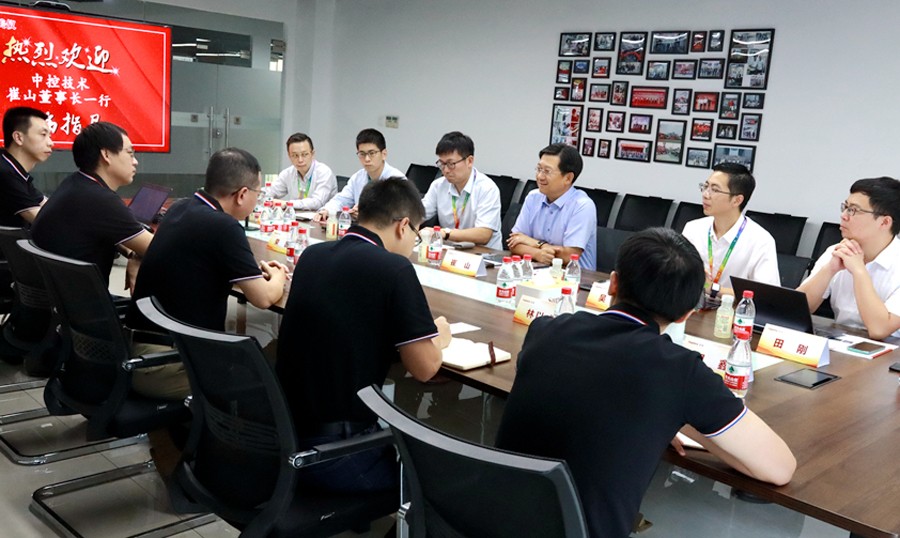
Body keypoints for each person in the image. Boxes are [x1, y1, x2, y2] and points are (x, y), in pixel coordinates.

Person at [496, 227, 796, 538]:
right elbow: (779, 468)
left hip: (488, 517)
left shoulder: (545, 330)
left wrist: (658, 417)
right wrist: (668, 417)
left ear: (613, 283)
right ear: (685, 315)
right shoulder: (678, 370)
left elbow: (577, 394)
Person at [277, 177, 451, 493]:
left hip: (283, 433)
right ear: (403, 226)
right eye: (416, 235)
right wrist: (439, 337)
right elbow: (425, 369)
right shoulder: (394, 269)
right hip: (335, 453)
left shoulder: (313, 255)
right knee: (436, 484)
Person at [127, 147, 288, 399]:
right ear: (242, 194)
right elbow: (263, 298)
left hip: (138, 352)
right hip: (168, 365)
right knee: (278, 361)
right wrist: (278, 276)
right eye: (258, 193)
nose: (258, 199)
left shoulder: (180, 208)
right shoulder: (224, 227)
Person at [31, 122, 151, 292]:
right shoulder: (100, 199)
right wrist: (139, 256)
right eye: (130, 153)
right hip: (79, 304)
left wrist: (133, 255)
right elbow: (157, 249)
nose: (135, 162)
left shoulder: (76, 183)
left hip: (54, 300)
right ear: (106, 155)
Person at [799, 177, 900, 339]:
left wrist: (859, 271)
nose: (843, 216)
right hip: (842, 342)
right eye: (845, 207)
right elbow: (797, 310)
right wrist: (829, 269)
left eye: (853, 210)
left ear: (884, 222)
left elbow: (879, 330)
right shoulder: (836, 251)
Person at [681, 163, 779, 303]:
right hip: (690, 307)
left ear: (737, 200)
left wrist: (713, 288)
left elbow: (766, 296)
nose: (705, 194)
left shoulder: (760, 241)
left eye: (715, 190)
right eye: (706, 186)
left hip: (733, 312)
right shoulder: (693, 229)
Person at [508, 143, 597, 269]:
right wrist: (538, 253)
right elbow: (514, 243)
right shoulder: (533, 197)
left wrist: (533, 243)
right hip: (538, 271)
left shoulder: (582, 206)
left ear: (568, 178)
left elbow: (569, 256)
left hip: (576, 277)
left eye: (547, 171)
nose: (540, 176)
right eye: (539, 169)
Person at [421, 131, 502, 249]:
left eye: (451, 164)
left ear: (469, 161)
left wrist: (445, 233)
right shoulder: (438, 186)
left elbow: (484, 234)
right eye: (442, 164)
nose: (445, 170)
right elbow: (418, 214)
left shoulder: (487, 188)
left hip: (483, 254)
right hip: (450, 251)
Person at [313, 128, 405, 222]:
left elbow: (400, 215)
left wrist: (367, 214)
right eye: (362, 154)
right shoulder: (357, 178)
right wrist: (327, 210)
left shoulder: (397, 181)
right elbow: (341, 200)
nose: (367, 159)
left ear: (384, 154)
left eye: (372, 153)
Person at [0, 106, 52, 226]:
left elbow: (49, 208)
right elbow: (45, 222)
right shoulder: (5, 173)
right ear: (18, 138)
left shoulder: (15, 171)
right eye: (43, 134)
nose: (50, 143)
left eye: (49, 136)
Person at [268, 132, 336, 211]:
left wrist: (287, 204)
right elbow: (270, 192)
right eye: (295, 155)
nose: (300, 160)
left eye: (304, 154)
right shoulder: (288, 173)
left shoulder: (324, 172)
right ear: (289, 156)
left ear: (312, 154)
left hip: (320, 217)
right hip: (295, 216)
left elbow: (317, 202)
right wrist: (263, 196)